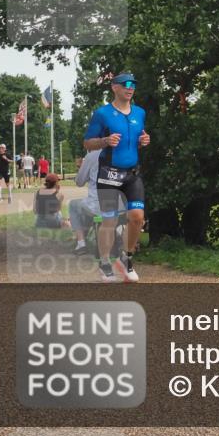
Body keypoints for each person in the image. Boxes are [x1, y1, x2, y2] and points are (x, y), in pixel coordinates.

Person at [84, 72, 149, 283]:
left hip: (132, 174)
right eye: (126, 84)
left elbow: (135, 141)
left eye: (133, 84)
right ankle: (104, 262)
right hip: (109, 174)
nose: (130, 88)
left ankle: (126, 257)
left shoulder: (139, 113)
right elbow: (88, 143)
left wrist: (143, 141)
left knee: (137, 217)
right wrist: (105, 141)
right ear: (114, 87)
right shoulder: (102, 114)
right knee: (109, 221)